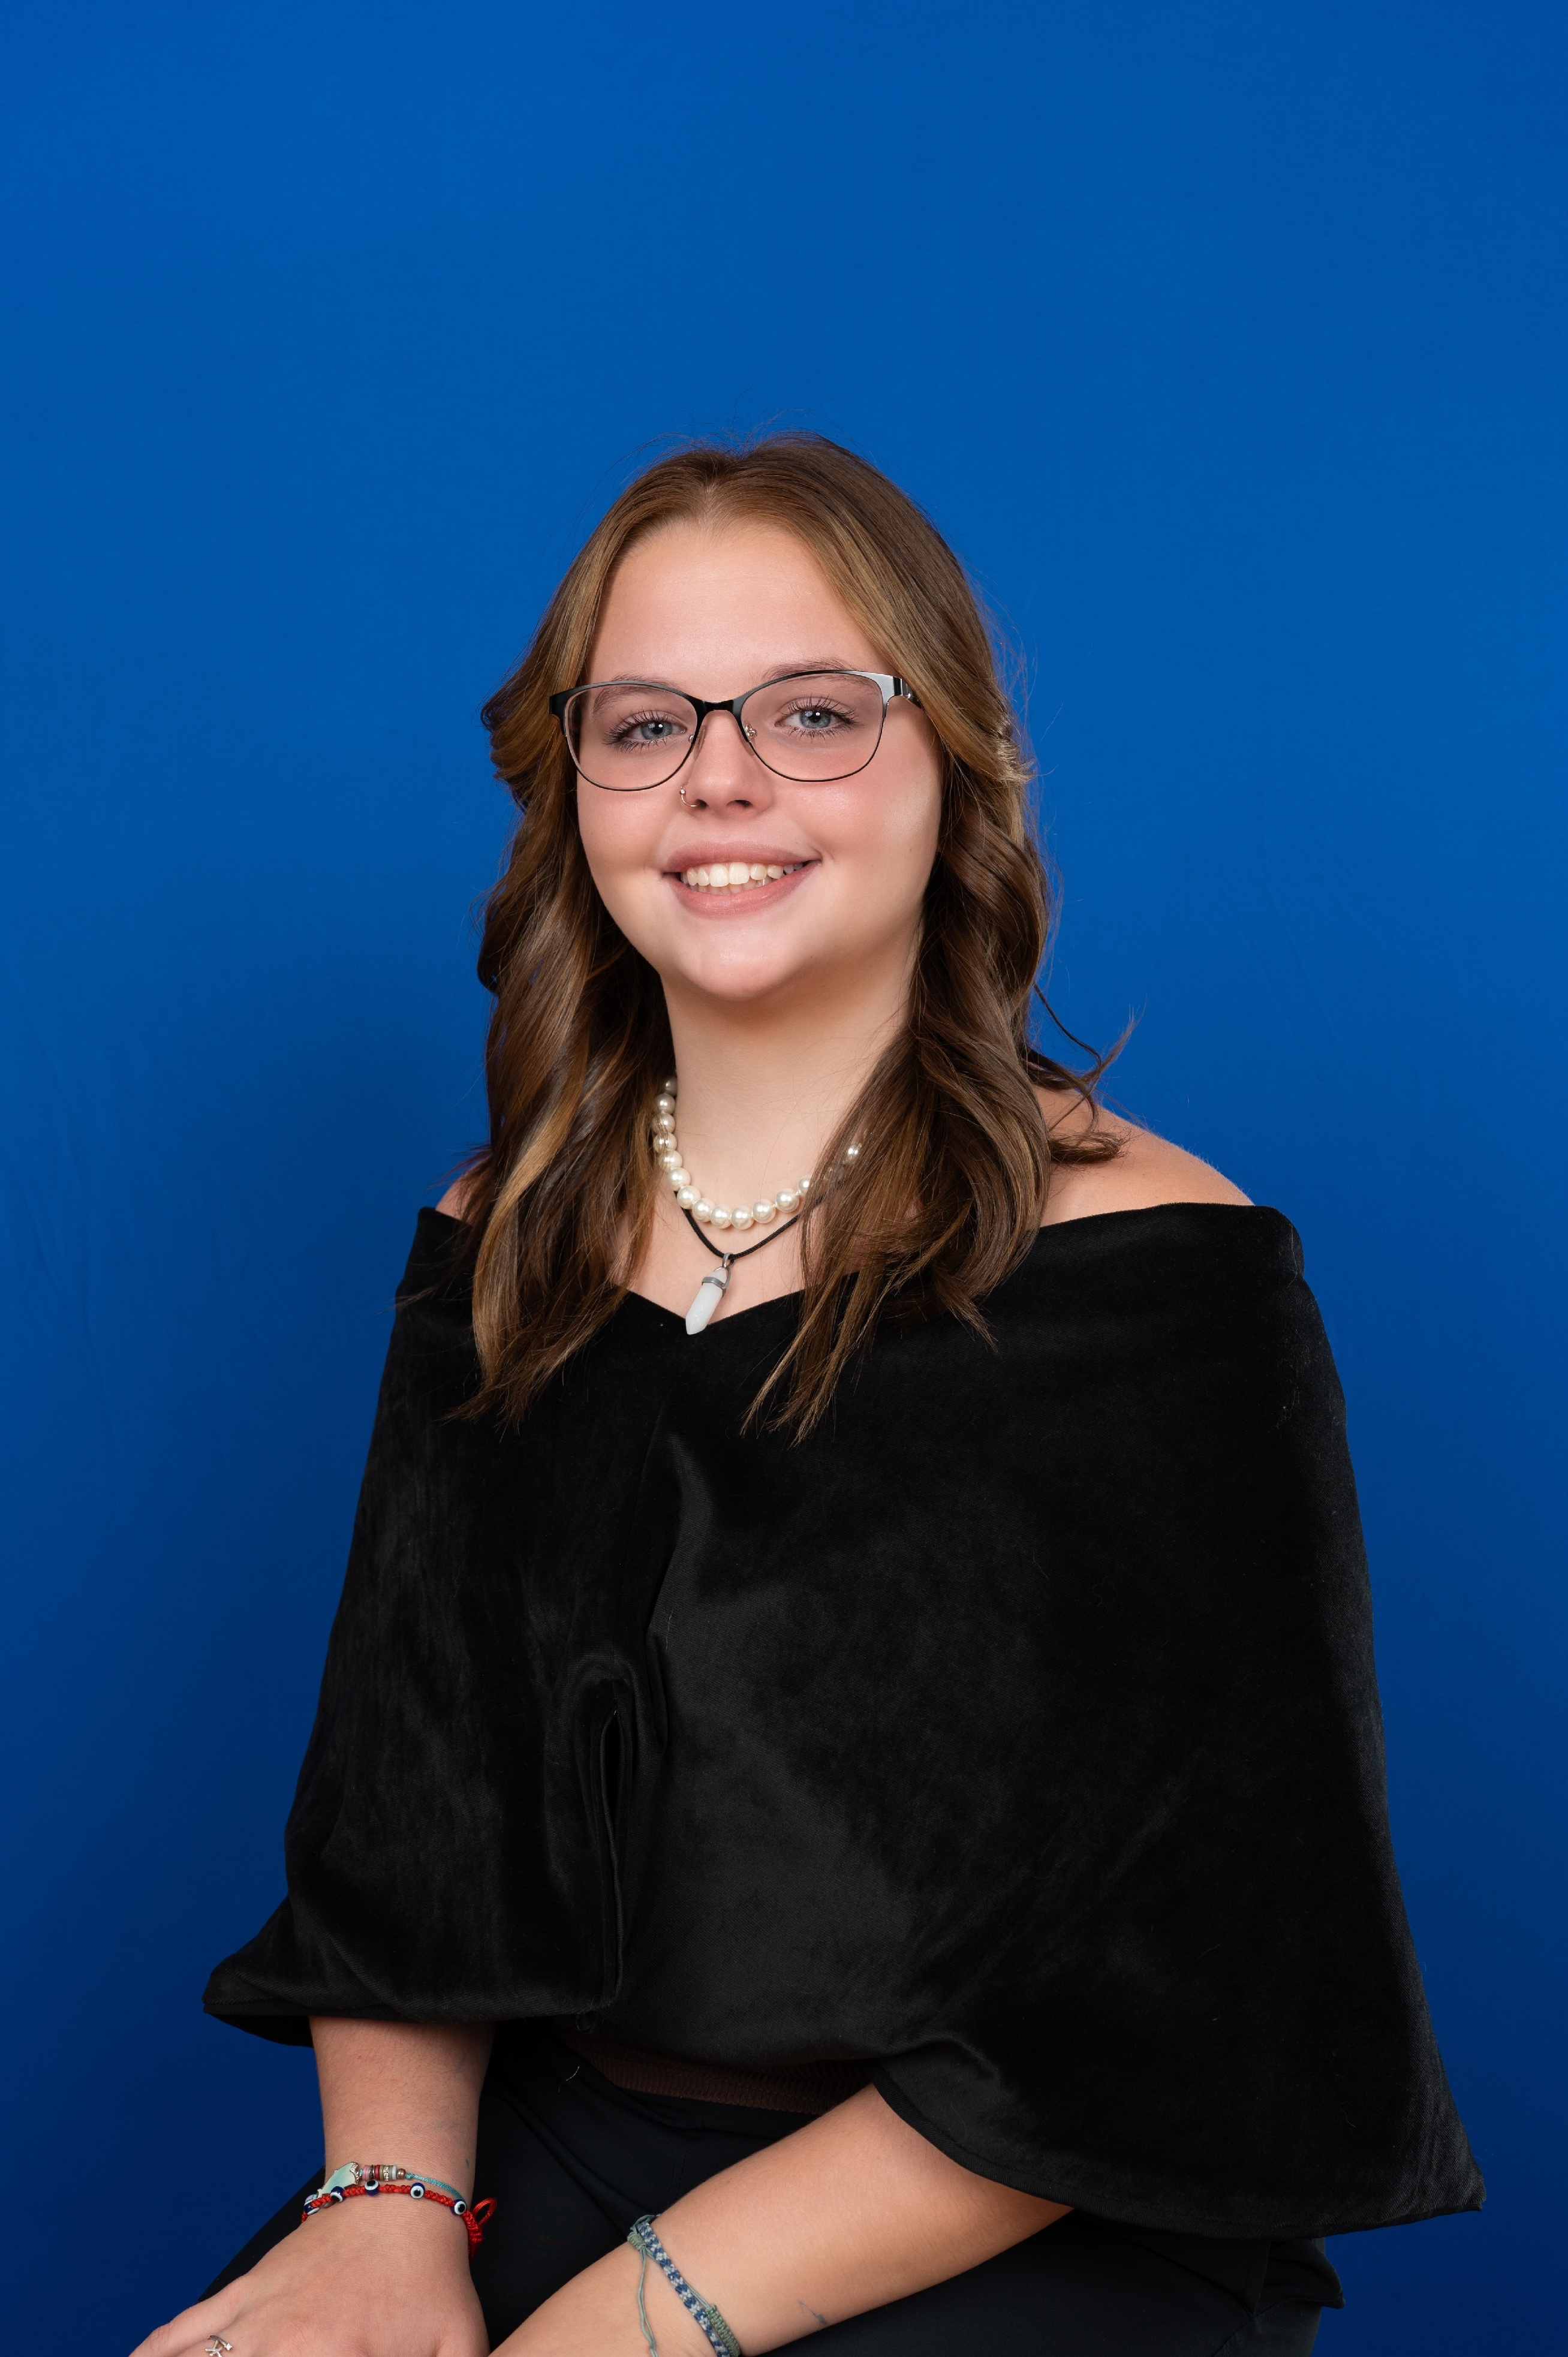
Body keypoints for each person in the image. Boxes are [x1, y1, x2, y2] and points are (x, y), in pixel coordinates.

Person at [138, 435, 1481, 2357]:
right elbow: (413, 1822)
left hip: (1021, 2198)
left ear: (958, 763)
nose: (722, 778)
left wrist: (623, 2326)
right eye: (647, 723)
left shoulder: (1160, 1269)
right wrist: (386, 2208)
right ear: (574, 790)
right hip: (561, 2140)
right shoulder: (501, 1232)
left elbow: (1160, 1990)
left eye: (814, 711)